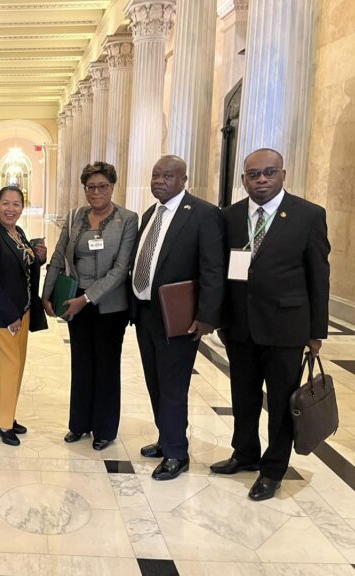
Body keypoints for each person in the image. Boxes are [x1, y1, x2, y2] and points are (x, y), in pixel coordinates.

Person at [211, 148, 330, 501]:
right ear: (243, 179)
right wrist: (219, 318)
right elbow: (221, 271)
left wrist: (316, 331)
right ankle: (244, 453)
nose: (261, 180)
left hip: (286, 326)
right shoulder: (230, 217)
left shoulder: (308, 215)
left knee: (281, 402)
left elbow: (319, 276)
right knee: (243, 395)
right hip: (240, 325)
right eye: (253, 174)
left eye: (269, 172)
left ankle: (273, 468)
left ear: (283, 174)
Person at [131, 155, 225, 481]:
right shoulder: (151, 213)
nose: (160, 181)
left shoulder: (202, 214)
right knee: (155, 382)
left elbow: (213, 270)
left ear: (184, 179)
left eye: (168, 176)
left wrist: (207, 316)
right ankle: (165, 437)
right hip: (146, 314)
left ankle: (177, 454)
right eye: (156, 175)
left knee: (173, 387)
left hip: (179, 317)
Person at [42, 161, 138, 451]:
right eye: (90, 187)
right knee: (81, 363)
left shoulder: (128, 219)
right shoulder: (74, 217)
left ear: (112, 187)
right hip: (74, 300)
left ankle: (105, 429)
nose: (96, 192)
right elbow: (59, 256)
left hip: (109, 306)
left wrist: (87, 299)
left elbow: (121, 268)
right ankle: (79, 424)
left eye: (102, 186)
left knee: (106, 365)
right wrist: (46, 295)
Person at [0, 186, 48, 446]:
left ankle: (8, 415)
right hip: (2, 317)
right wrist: (10, 315)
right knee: (6, 369)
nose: (11, 209)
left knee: (16, 368)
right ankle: (3, 424)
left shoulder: (18, 233)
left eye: (16, 204)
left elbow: (24, 267)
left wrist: (39, 259)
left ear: (22, 207)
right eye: (5, 203)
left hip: (23, 311)